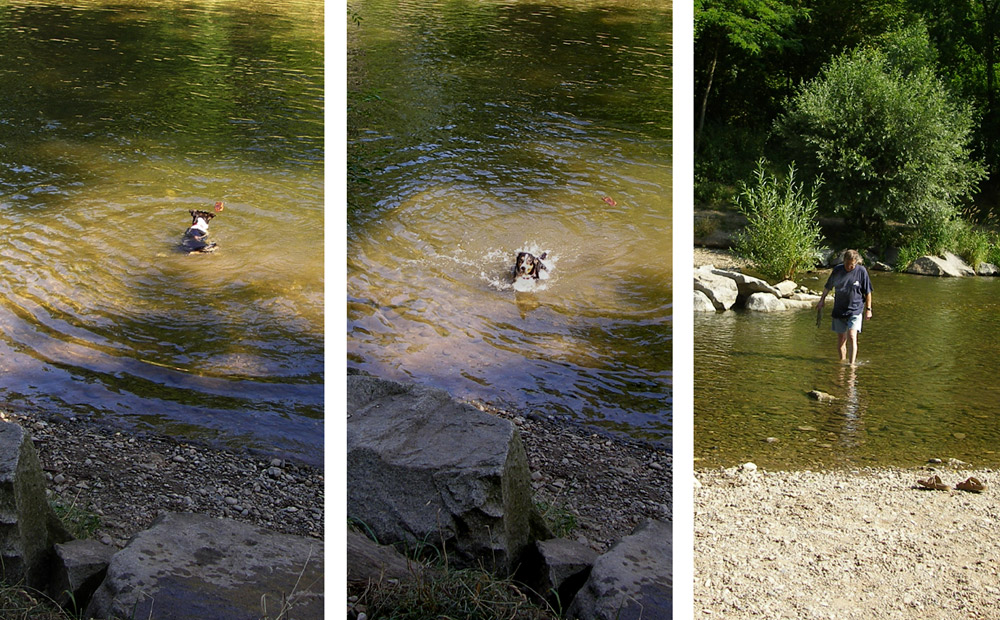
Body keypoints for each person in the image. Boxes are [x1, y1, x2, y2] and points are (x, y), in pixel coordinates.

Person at [816, 249, 873, 364]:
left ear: (856, 262)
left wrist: (868, 309)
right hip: (839, 309)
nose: (849, 267)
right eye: (847, 264)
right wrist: (822, 300)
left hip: (855, 309)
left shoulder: (861, 272)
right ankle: (842, 363)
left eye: (851, 265)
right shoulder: (837, 270)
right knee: (841, 339)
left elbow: (868, 292)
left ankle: (852, 365)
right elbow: (828, 286)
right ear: (844, 261)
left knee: (852, 335)